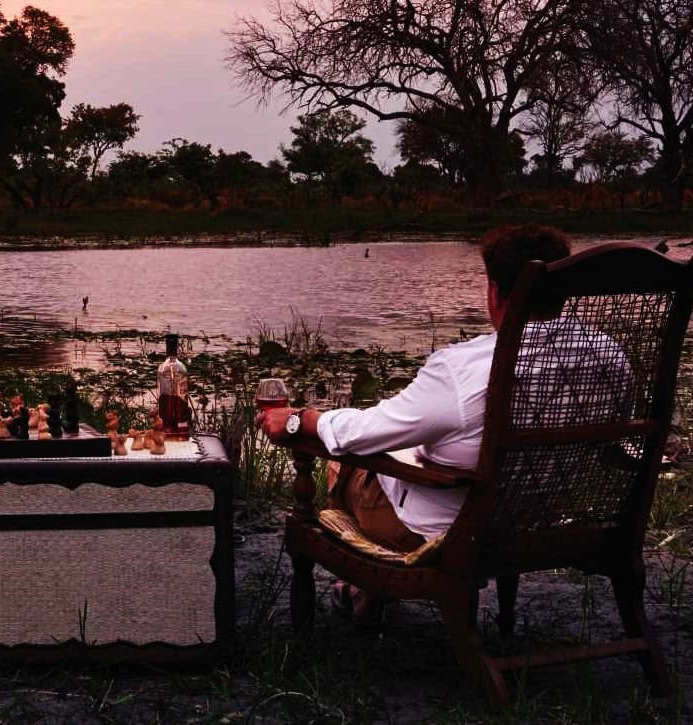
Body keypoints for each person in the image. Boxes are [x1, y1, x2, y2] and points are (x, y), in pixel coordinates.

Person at [257, 225, 615, 617]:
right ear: (562, 290)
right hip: (546, 525)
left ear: (495, 292)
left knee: (342, 459)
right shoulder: (612, 357)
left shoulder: (464, 369)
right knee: (416, 443)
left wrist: (298, 421)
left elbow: (357, 434)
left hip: (455, 535)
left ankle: (367, 585)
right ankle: (367, 589)